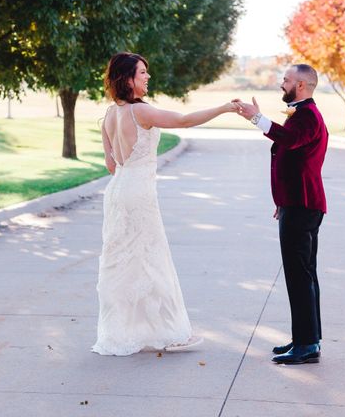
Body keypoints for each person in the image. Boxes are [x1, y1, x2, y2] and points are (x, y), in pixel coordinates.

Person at [92, 52, 239, 356]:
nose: (147, 78)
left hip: (118, 191)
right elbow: (184, 120)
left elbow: (111, 164)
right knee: (152, 259)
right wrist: (224, 108)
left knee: (122, 261)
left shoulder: (109, 115)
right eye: (142, 73)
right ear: (127, 78)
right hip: (139, 195)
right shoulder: (140, 112)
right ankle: (170, 333)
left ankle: (119, 333)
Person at [235, 64, 328, 364]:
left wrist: (256, 118)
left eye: (286, 80)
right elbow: (292, 158)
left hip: (302, 207)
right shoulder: (301, 114)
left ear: (301, 85)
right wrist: (281, 201)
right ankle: (306, 339)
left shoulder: (309, 116)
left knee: (299, 276)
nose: (281, 84)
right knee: (303, 274)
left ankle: (307, 344)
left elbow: (288, 141)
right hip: (297, 203)